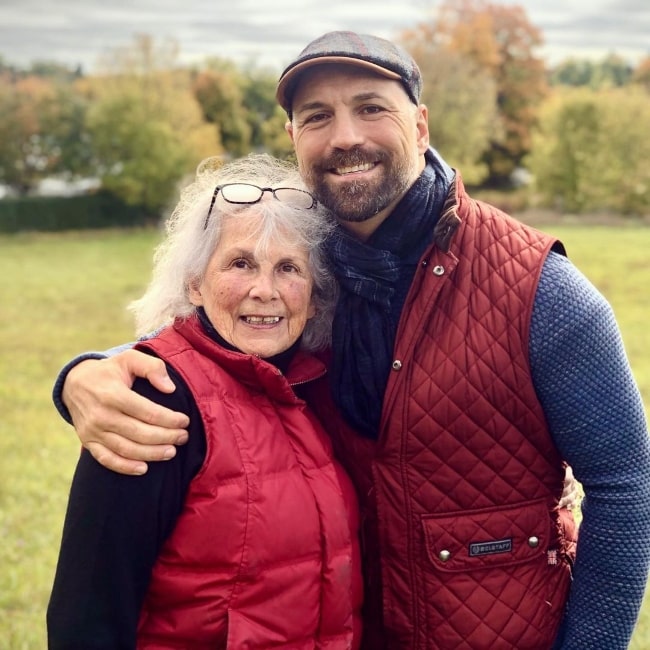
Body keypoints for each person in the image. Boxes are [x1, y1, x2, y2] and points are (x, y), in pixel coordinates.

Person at [52, 31, 650, 649]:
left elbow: (626, 486)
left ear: (420, 126)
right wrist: (88, 372)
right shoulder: (307, 274)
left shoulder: (541, 290)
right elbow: (207, 344)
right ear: (294, 141)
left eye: (371, 108)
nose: (344, 137)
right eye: (317, 117)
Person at [47, 153, 363, 649]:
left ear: (315, 295)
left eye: (289, 268)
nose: (266, 291)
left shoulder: (317, 388)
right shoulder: (156, 397)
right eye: (241, 264)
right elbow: (88, 617)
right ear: (194, 283)